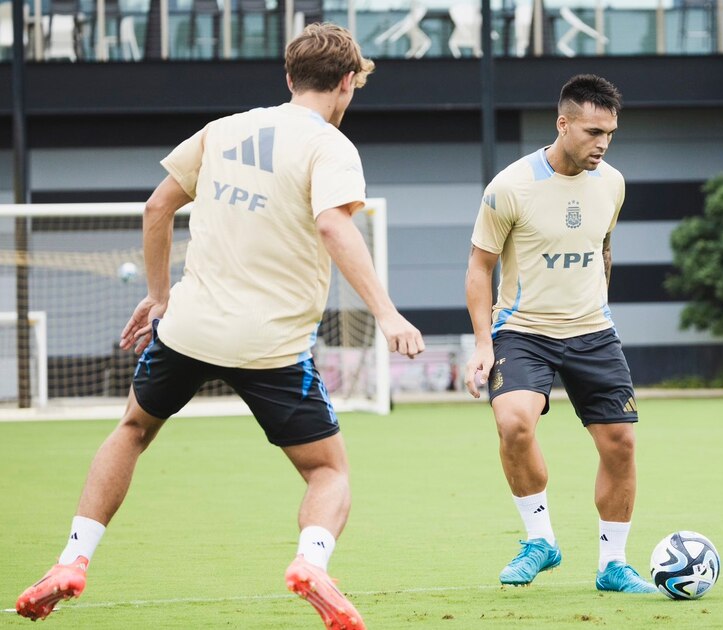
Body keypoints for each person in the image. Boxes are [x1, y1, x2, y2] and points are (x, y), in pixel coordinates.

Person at [14, 23, 424, 629]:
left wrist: (159, 299)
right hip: (272, 347)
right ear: (345, 83)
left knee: (131, 430)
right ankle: (312, 564)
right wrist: (386, 312)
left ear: (288, 78)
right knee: (326, 469)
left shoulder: (223, 129)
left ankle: (73, 560)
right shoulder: (332, 147)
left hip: (188, 329)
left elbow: (157, 207)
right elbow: (336, 227)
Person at [464, 74, 656, 594]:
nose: (603, 144)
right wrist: (484, 343)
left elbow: (603, 248)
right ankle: (540, 541)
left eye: (611, 133)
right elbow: (479, 268)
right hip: (524, 332)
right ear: (562, 123)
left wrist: (601, 307)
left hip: (594, 333)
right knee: (514, 424)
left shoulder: (612, 183)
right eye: (593, 131)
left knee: (620, 444)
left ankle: (613, 565)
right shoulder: (509, 187)